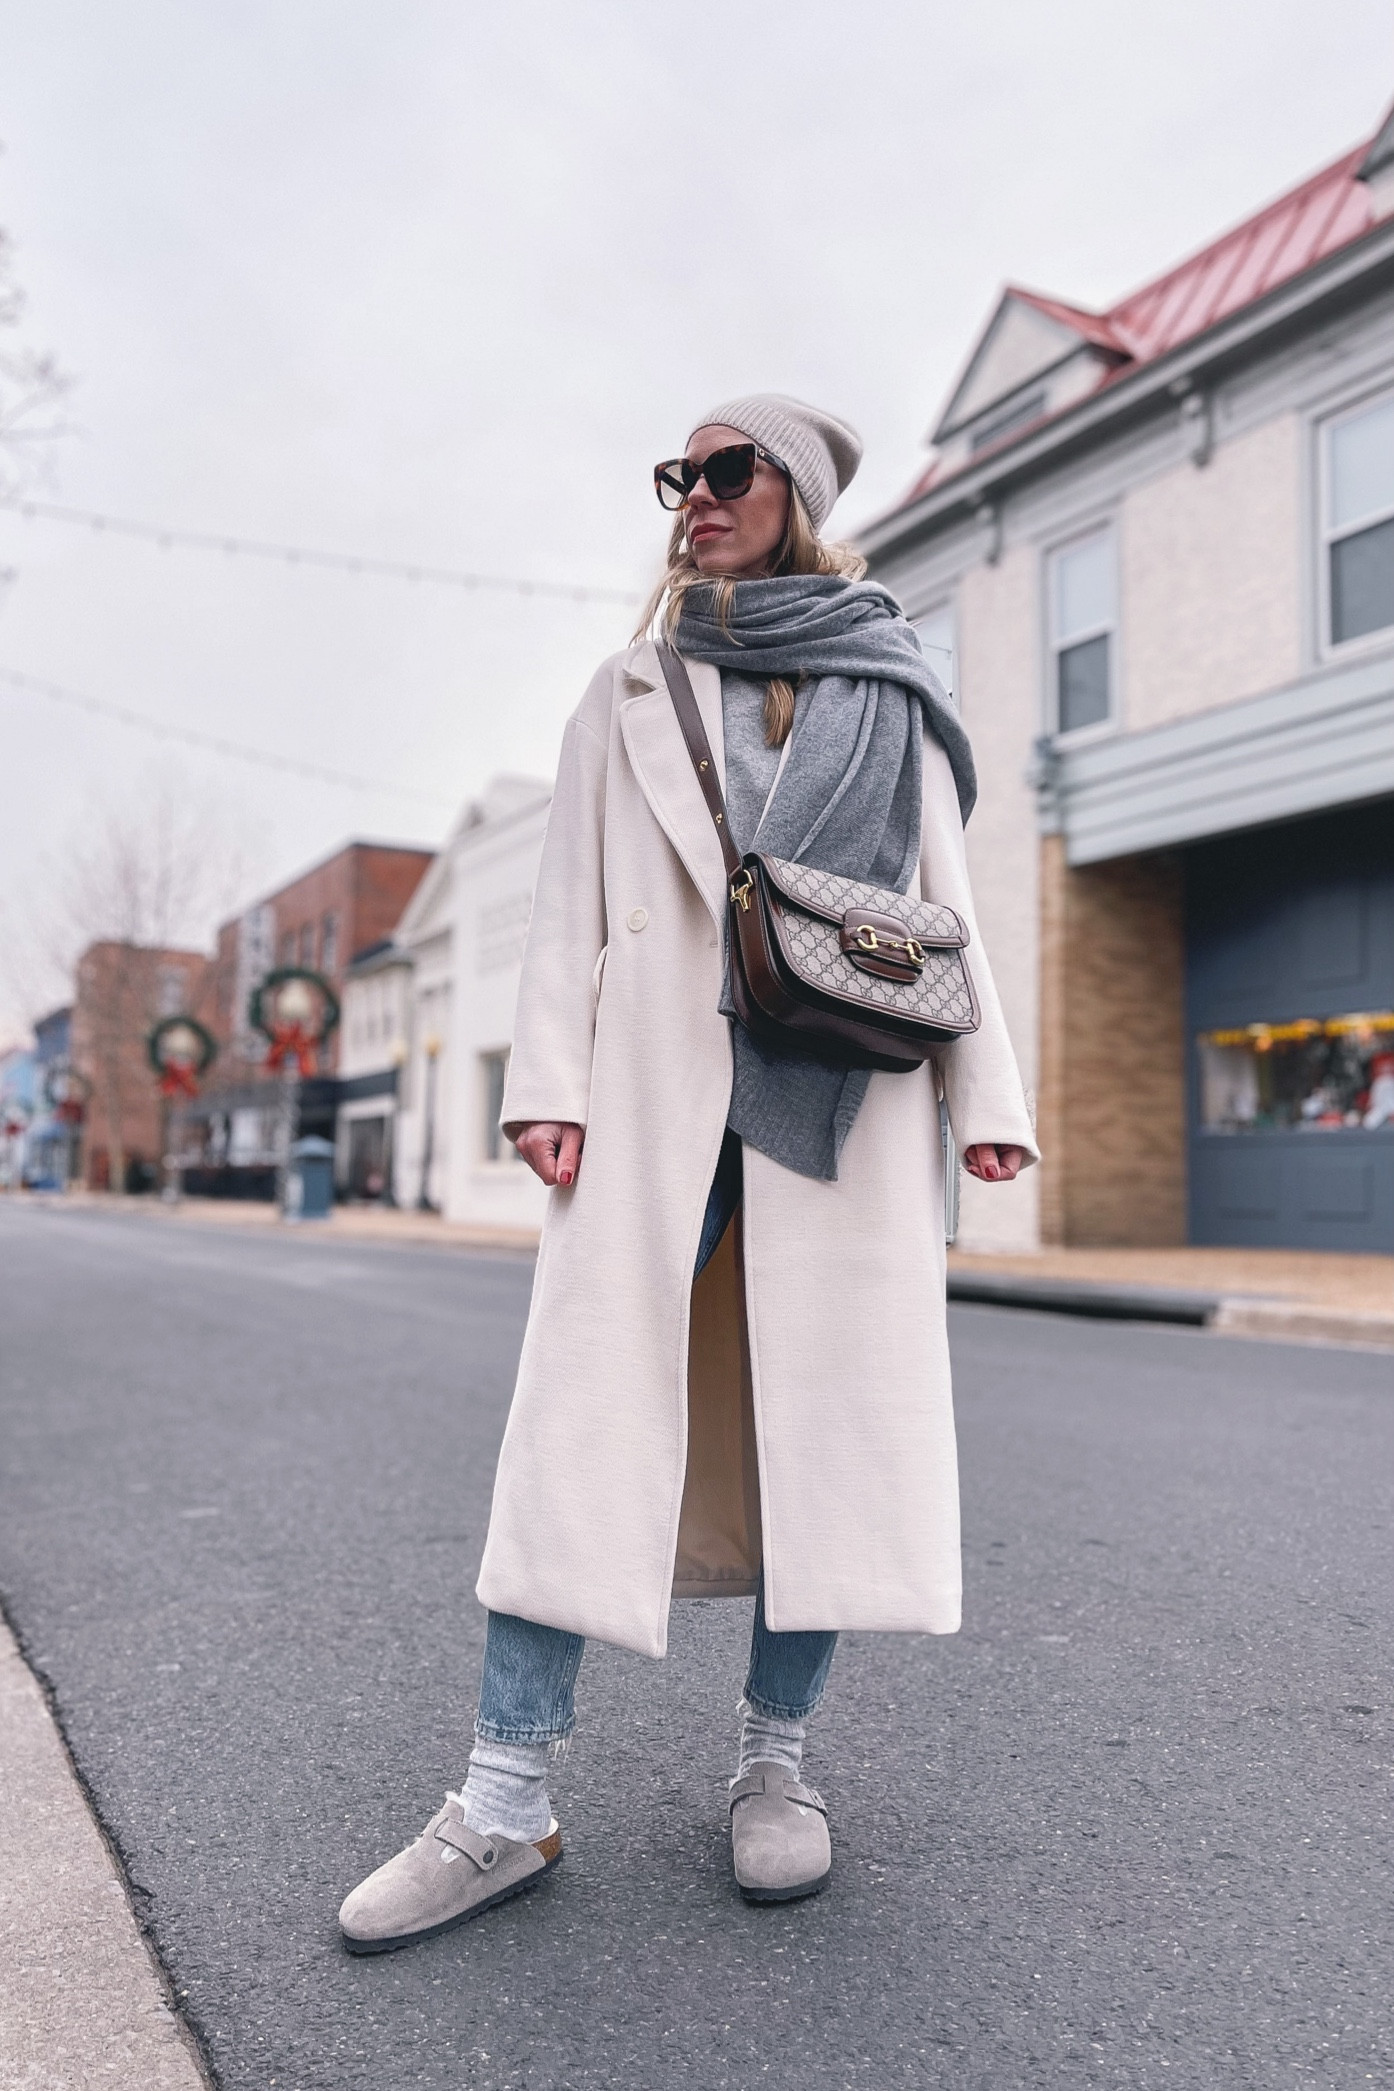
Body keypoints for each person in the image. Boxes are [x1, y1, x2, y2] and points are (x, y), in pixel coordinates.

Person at [339, 395, 1038, 1953]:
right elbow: (570, 899)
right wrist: (545, 1088)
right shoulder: (628, 688)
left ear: (790, 491)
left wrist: (987, 1093)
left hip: (841, 1101)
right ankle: (504, 1803)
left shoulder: (888, 683)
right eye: (681, 474)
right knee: (573, 1428)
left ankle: (774, 1772)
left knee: (825, 1435)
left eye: (728, 471)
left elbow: (948, 903)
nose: (696, 497)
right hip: (656, 1092)